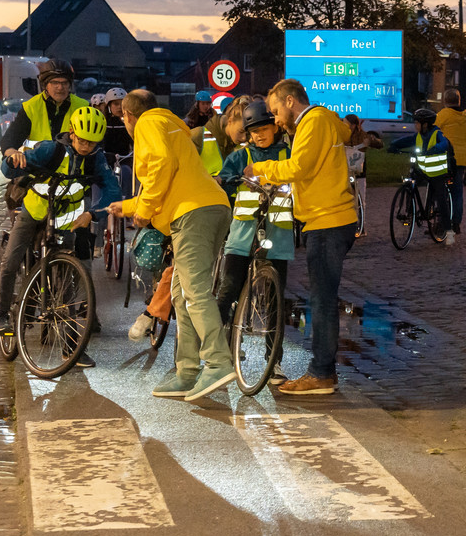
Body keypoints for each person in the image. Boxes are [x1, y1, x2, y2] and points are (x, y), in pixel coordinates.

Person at [108, 90, 234, 402]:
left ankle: (218, 363)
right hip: (209, 207)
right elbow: (170, 178)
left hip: (191, 213)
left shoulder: (148, 124)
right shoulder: (172, 124)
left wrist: (145, 210)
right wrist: (127, 206)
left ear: (128, 115)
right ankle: (187, 372)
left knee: (194, 292)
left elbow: (161, 167)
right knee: (180, 294)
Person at [251, 79, 359, 396]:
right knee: (323, 297)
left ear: (289, 100)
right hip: (329, 219)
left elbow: (300, 166)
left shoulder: (312, 121)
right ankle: (322, 370)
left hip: (326, 220)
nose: (274, 119)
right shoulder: (324, 121)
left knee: (323, 301)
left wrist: (261, 169)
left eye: (274, 111)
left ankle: (322, 373)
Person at [0, 106, 122, 362]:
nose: (86, 146)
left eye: (92, 142)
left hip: (67, 219)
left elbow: (113, 193)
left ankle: (71, 345)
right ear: (72, 133)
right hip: (35, 210)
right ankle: (1, 314)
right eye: (83, 140)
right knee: (11, 261)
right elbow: (9, 170)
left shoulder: (95, 158)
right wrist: (13, 160)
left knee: (70, 279)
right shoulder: (51, 150)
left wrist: (93, 214)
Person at [214, 100, 295, 383]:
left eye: (264, 128)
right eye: (254, 131)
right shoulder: (241, 156)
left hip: (278, 235)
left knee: (275, 301)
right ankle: (216, 354)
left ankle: (274, 362)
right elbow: (224, 179)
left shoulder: (288, 153)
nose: (260, 135)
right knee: (229, 290)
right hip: (243, 234)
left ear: (275, 127)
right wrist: (227, 180)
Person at [390, 108, 453, 244]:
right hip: (423, 170)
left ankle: (449, 231)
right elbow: (407, 140)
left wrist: (435, 149)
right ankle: (409, 211)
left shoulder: (437, 134)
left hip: (437, 172)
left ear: (425, 124)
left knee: (441, 201)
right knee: (410, 183)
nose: (415, 125)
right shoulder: (418, 135)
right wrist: (394, 145)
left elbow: (445, 143)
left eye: (417, 123)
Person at [0, 60, 88, 154]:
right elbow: (10, 139)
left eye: (65, 83)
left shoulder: (83, 107)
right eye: (55, 82)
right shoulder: (31, 107)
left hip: (73, 168)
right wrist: (11, 153)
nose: (60, 87)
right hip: (38, 167)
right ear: (45, 84)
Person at [435, 89, 466, 239]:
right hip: (462, 158)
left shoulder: (443, 115)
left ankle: (442, 222)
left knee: (440, 190)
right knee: (457, 191)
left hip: (445, 157)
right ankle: (456, 223)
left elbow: (433, 133)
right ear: (459, 100)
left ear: (445, 101)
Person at [344, 114, 371, 235]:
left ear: (354, 125)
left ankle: (362, 226)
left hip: (359, 172)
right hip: (345, 171)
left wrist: (368, 142)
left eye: (347, 123)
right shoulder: (342, 135)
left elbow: (376, 143)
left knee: (360, 198)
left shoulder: (361, 135)